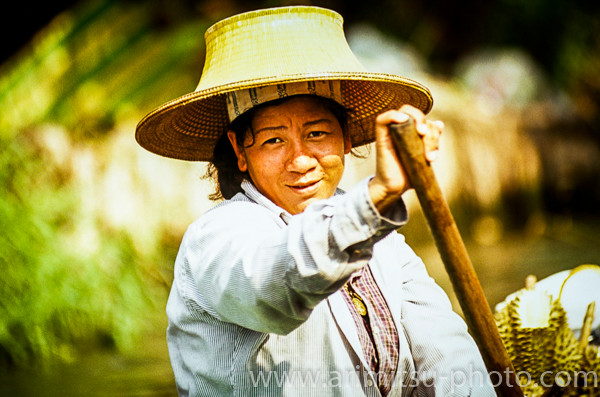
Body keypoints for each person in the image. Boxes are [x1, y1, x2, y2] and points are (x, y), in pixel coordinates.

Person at [136, 6, 495, 397]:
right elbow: (277, 285)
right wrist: (377, 196)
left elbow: (449, 358)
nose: (301, 160)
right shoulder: (217, 238)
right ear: (240, 151)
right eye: (274, 140)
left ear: (344, 139)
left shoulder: (387, 244)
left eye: (318, 134)